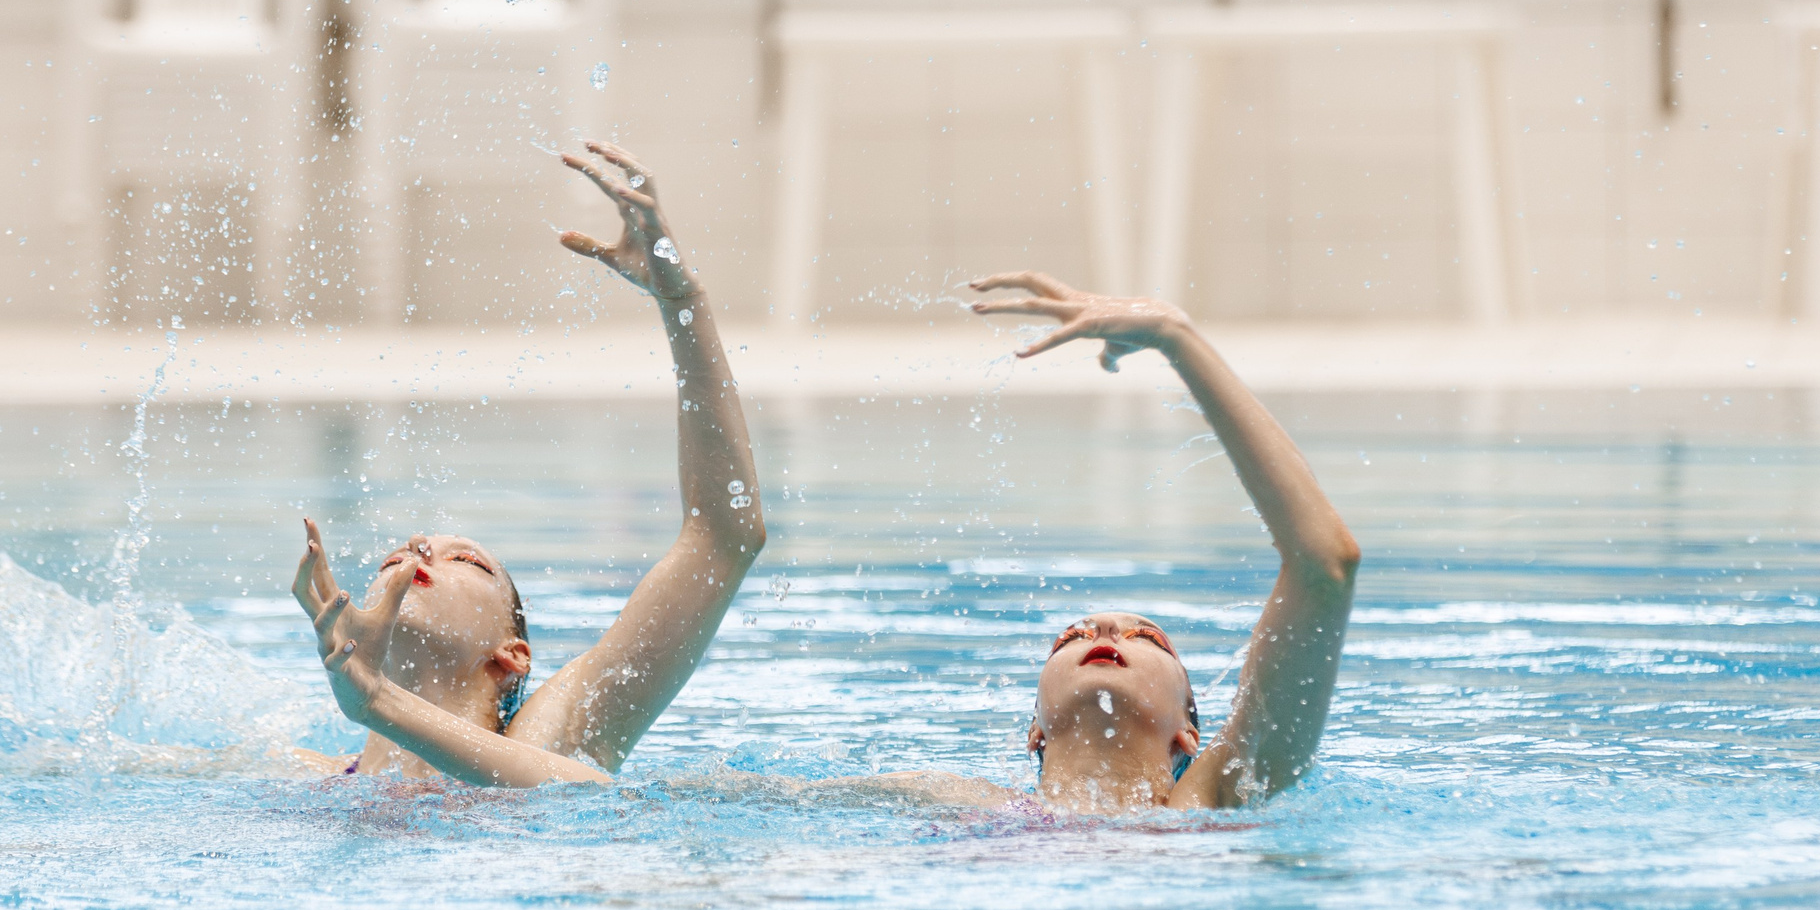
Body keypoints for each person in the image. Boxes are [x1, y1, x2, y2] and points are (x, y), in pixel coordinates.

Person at [301, 272, 1362, 814]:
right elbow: (715, 805)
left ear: (1192, 728)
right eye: (1085, 626)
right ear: (1027, 735)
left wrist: (1176, 338)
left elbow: (1324, 566)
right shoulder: (959, 805)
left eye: (1138, 632)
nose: (1097, 630)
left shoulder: (1218, 798)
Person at [289, 141, 767, 780]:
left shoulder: (553, 729)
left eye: (468, 561)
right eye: (403, 553)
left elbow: (724, 537)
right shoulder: (309, 775)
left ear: (510, 657)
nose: (417, 550)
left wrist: (683, 303)